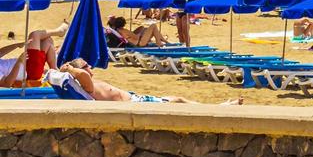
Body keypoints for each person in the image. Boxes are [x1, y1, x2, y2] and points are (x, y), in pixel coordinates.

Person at [53, 60, 243, 105]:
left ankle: (220, 106)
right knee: (178, 100)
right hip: (136, 104)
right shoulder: (86, 84)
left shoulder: (88, 82)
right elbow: (84, 77)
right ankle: (222, 106)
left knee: (178, 100)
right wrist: (71, 69)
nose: (90, 67)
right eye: (87, 65)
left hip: (136, 99)